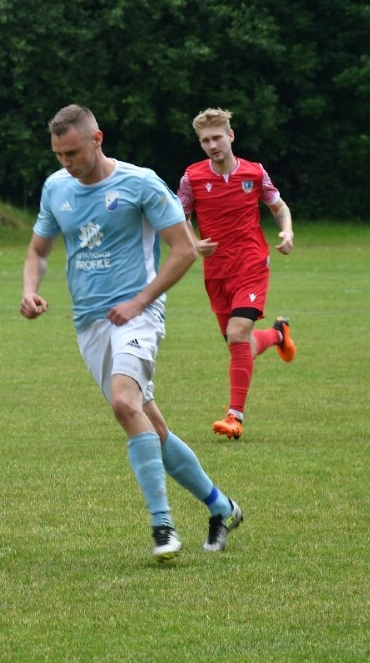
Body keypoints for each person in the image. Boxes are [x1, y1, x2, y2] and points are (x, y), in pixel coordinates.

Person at [21, 104, 242, 563]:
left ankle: (162, 527)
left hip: (138, 315)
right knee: (152, 426)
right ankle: (221, 507)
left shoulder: (139, 182)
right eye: (59, 154)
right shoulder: (56, 188)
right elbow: (38, 250)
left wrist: (141, 301)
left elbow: (183, 251)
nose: (66, 162)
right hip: (89, 324)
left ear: (97, 139)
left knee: (124, 403)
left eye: (73, 152)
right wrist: (30, 290)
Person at [177, 108, 297, 440]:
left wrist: (286, 232)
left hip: (251, 264)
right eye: (205, 140)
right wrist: (193, 243)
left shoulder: (255, 174)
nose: (212, 145)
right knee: (238, 342)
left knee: (237, 333)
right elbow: (179, 217)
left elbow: (279, 206)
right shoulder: (192, 178)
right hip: (216, 272)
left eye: (217, 137)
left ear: (230, 136)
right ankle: (277, 335)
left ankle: (235, 417)